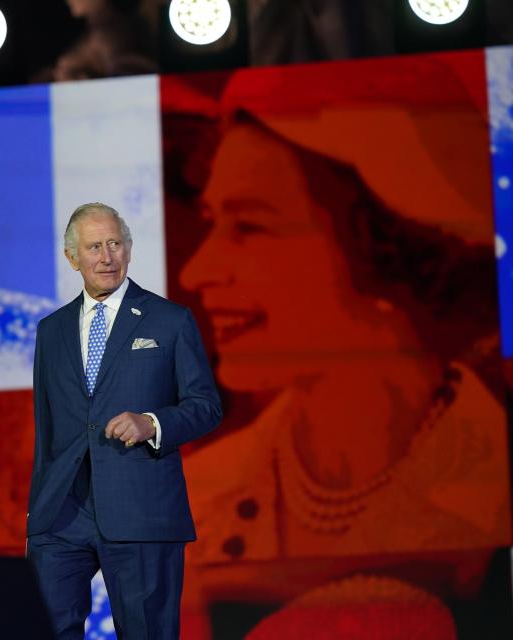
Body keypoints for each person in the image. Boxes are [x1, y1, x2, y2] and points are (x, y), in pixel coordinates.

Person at [160, 54, 510, 631]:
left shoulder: (495, 474)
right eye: (212, 221)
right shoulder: (195, 497)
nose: (199, 272)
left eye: (250, 226)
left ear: (385, 243)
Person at [26, 202, 223, 638]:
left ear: (129, 250)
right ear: (72, 258)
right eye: (94, 246)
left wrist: (153, 423)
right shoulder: (51, 330)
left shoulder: (170, 320)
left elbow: (206, 405)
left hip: (141, 510)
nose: (106, 256)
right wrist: (36, 513)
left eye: (115, 244)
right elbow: (49, 428)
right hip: (61, 515)